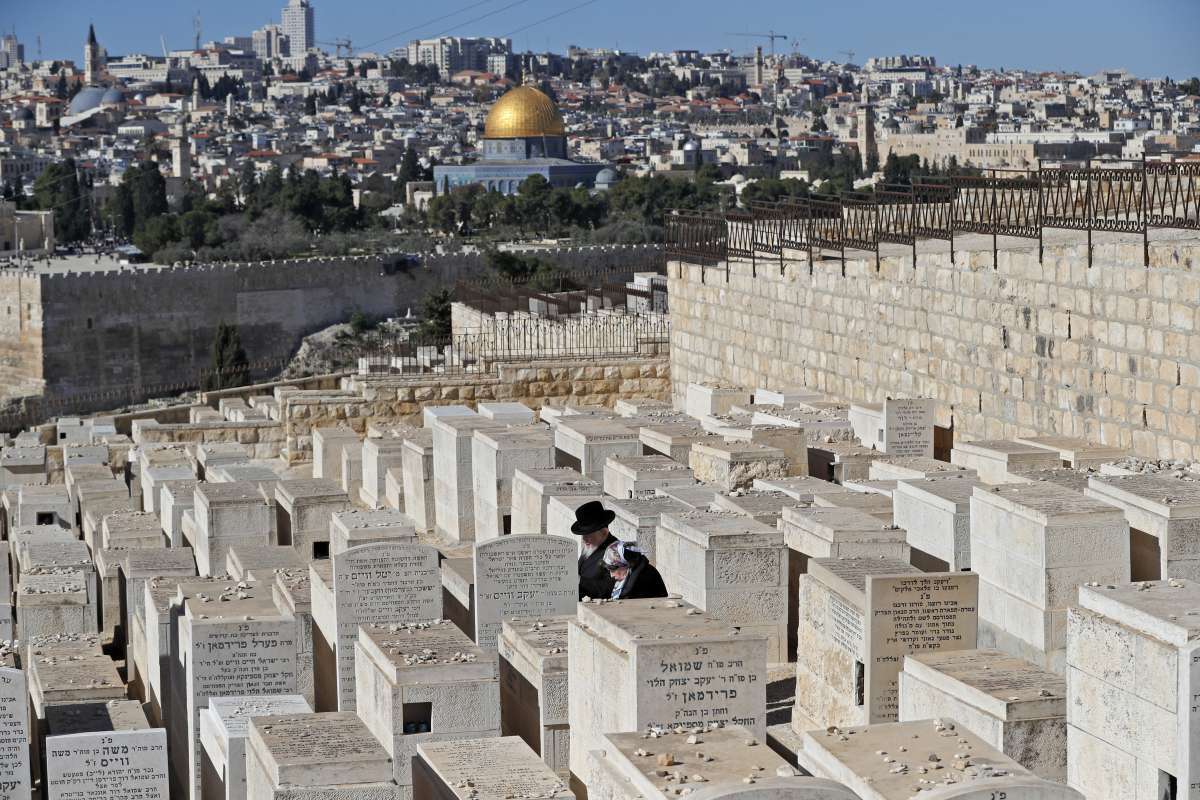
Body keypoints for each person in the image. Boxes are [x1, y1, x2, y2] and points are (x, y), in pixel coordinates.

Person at [570, 500, 618, 600]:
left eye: (589, 534)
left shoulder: (615, 552)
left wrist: (579, 581)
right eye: (583, 534)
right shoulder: (591, 547)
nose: (584, 539)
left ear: (604, 532)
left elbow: (610, 587)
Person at [602, 540, 668, 600]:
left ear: (626, 564)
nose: (611, 575)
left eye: (613, 569)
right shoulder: (634, 572)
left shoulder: (642, 577)